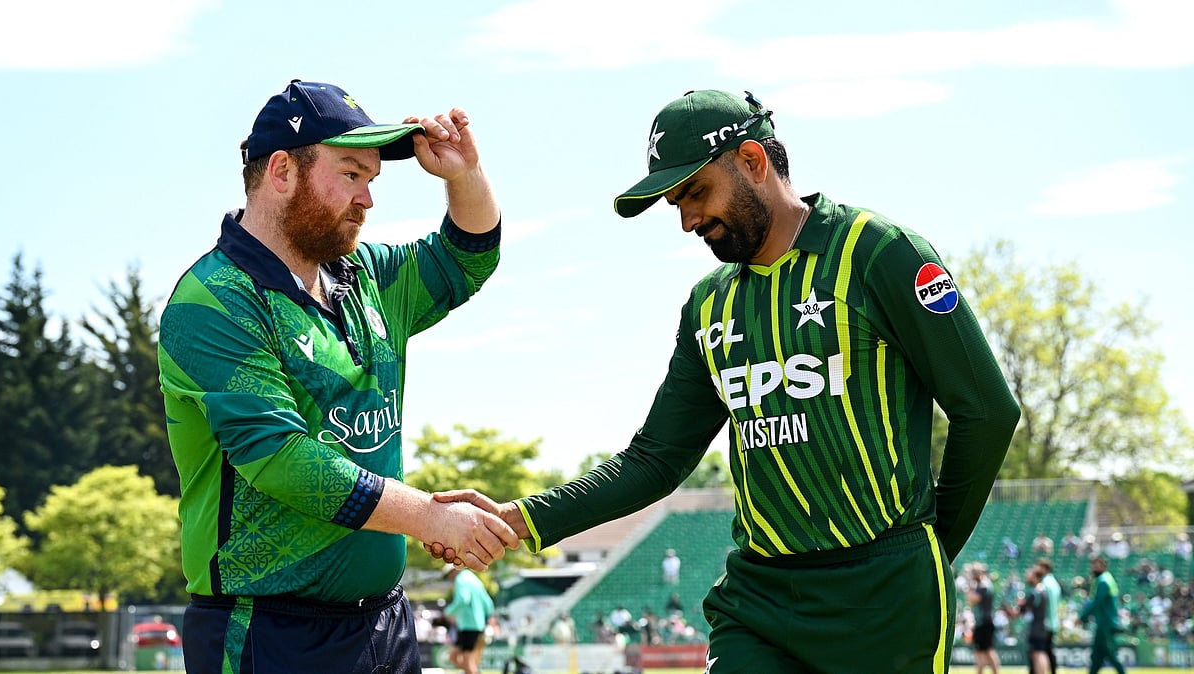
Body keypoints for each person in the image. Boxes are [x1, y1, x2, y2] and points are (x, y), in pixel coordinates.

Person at [429, 88, 1020, 671]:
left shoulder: (879, 253)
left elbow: (987, 410)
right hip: (760, 599)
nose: (687, 220)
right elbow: (657, 458)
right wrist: (521, 519)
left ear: (754, 161)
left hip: (886, 599)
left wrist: (935, 545)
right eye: (676, 204)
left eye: (696, 193)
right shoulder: (708, 305)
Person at [157, 79, 519, 674]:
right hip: (265, 630)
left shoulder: (368, 277)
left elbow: (470, 255)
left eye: (371, 180)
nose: (367, 200)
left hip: (384, 622)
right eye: (351, 175)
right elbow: (283, 460)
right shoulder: (213, 300)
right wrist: (430, 515)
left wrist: (464, 175)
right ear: (281, 171)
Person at [1080, 556, 1126, 674]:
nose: (1094, 567)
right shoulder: (1101, 579)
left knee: (1111, 655)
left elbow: (1097, 602)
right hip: (1102, 623)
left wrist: (1082, 617)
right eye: (1093, 565)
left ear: (1104, 566)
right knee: (1097, 657)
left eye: (1098, 565)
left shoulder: (1104, 580)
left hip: (1106, 623)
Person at [444, 566, 495, 674]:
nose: (449, 577)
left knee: (467, 661)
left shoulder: (461, 580)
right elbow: (488, 603)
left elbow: (463, 599)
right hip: (477, 625)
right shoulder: (474, 579)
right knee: (458, 658)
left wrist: (448, 612)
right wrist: (487, 619)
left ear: (454, 570)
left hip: (469, 625)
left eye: (449, 574)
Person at [968, 564, 1002, 674]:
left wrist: (970, 586)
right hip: (984, 622)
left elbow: (973, 599)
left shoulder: (983, 585)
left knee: (986, 651)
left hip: (984, 622)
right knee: (983, 651)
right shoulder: (984, 584)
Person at [1017, 566, 1050, 674]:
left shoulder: (1035, 592)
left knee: (1037, 654)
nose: (1028, 577)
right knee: (1041, 652)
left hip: (1036, 626)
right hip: (1042, 625)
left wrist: (1021, 604)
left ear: (1036, 577)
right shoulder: (1043, 590)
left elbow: (1023, 609)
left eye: (1030, 575)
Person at [1035, 558, 1062, 674]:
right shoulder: (1054, 582)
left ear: (1045, 568)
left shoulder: (1045, 583)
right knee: (1049, 650)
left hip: (1045, 622)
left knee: (1043, 651)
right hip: (1053, 621)